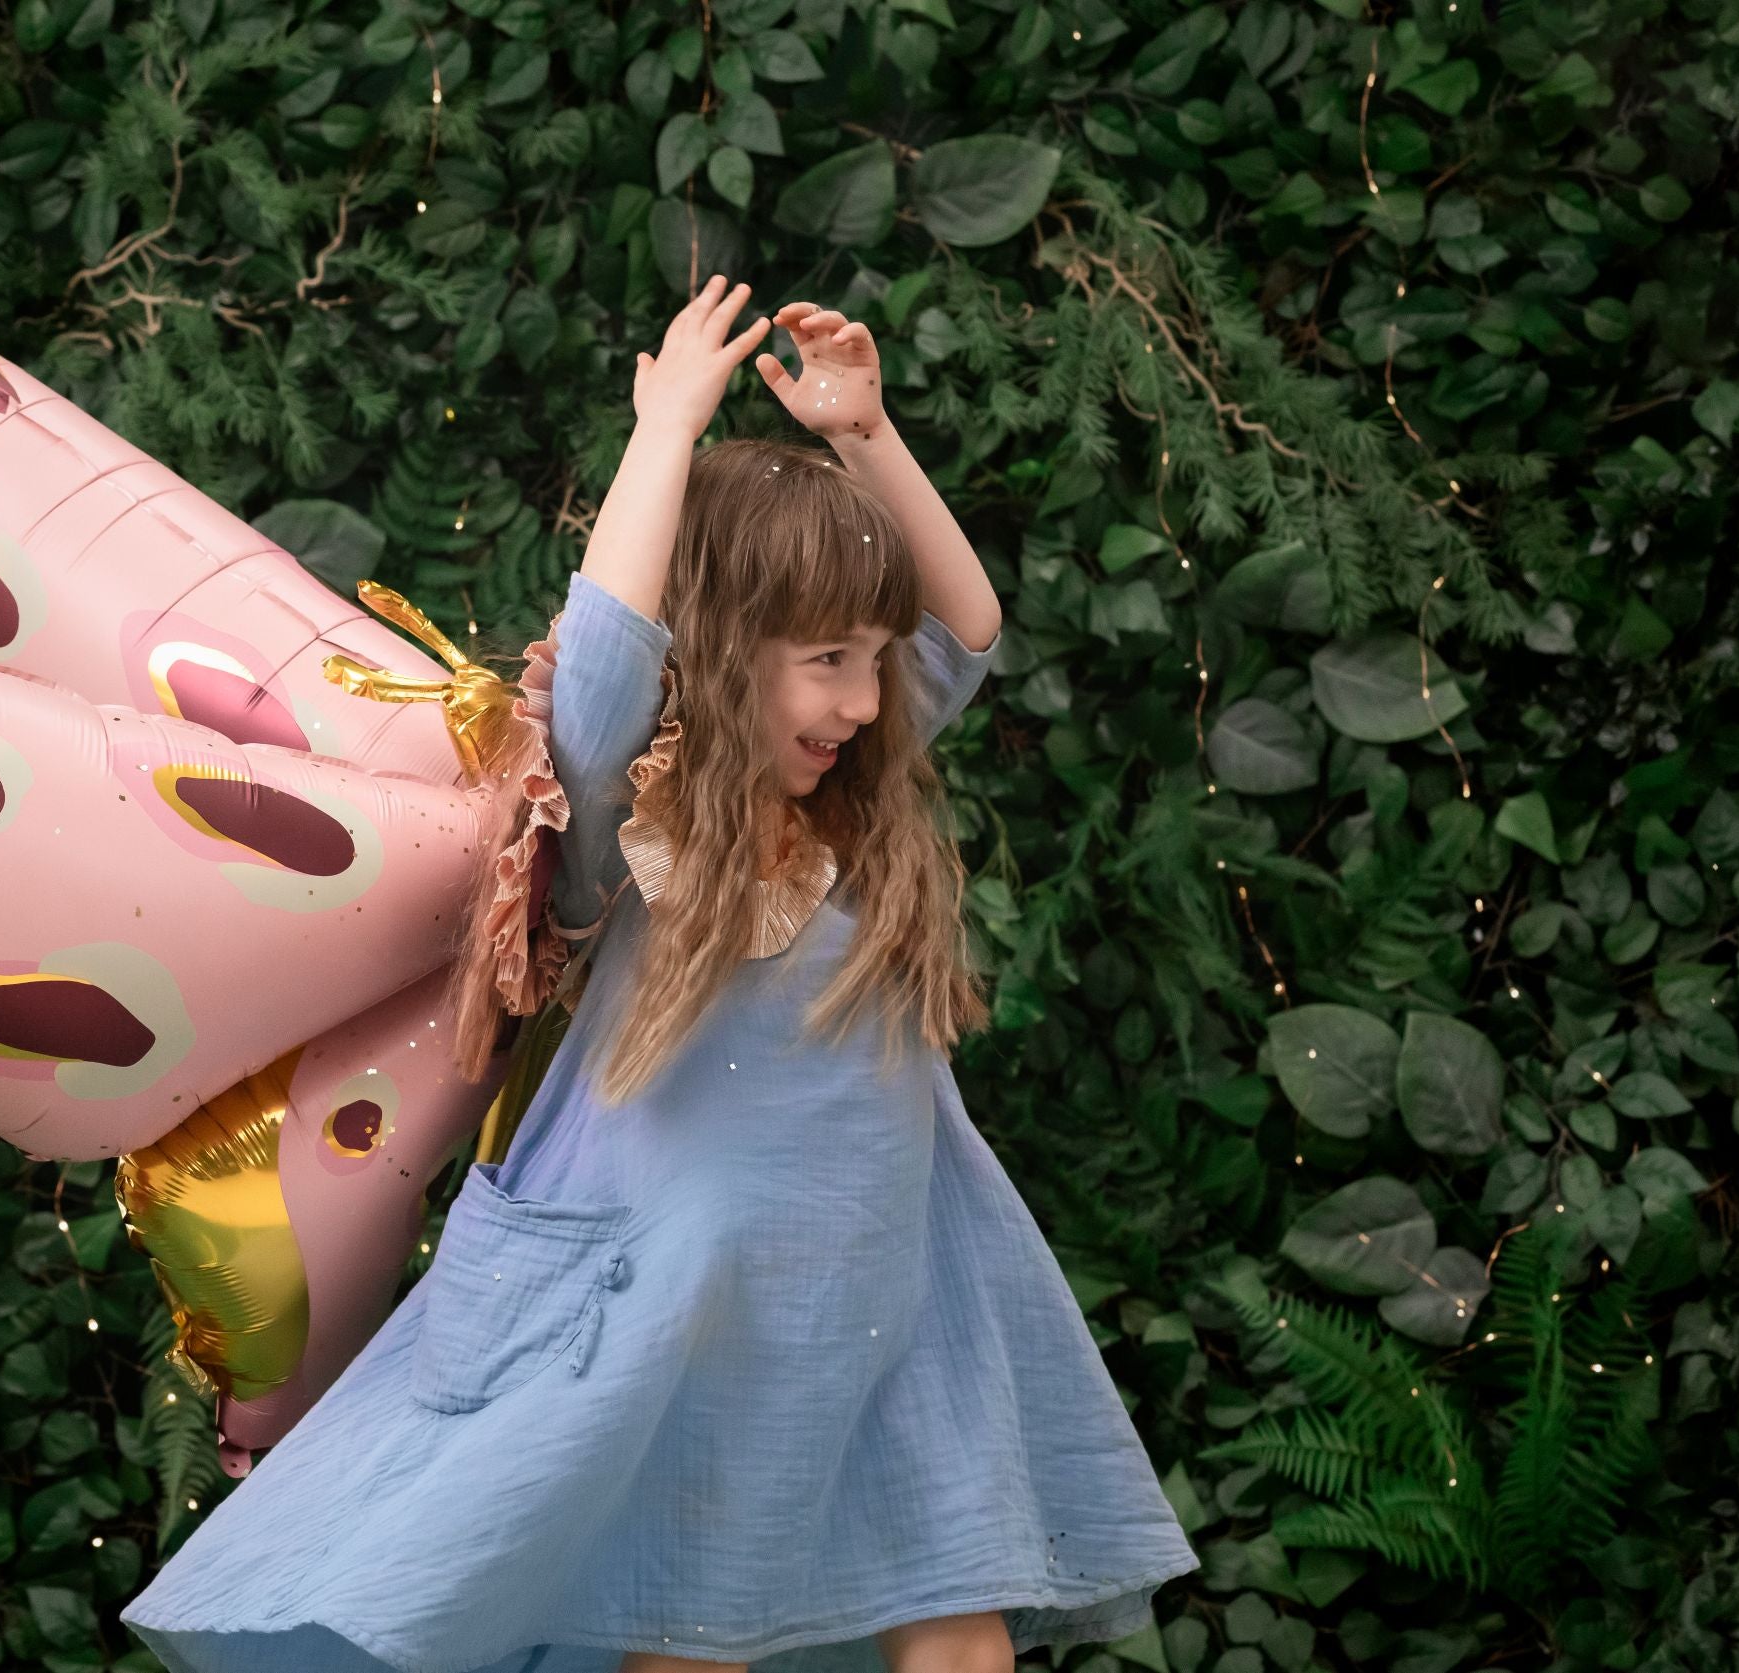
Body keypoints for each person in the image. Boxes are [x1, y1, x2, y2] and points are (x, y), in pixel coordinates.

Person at [120, 276, 1200, 1673]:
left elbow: (969, 626)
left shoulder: (849, 801)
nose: (865, 702)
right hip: (688, 1290)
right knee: (691, 1622)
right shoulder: (628, 819)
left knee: (958, 1605)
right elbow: (616, 652)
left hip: (903, 1265)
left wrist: (866, 433)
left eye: (871, 661)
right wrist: (667, 430)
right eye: (825, 662)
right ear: (727, 646)